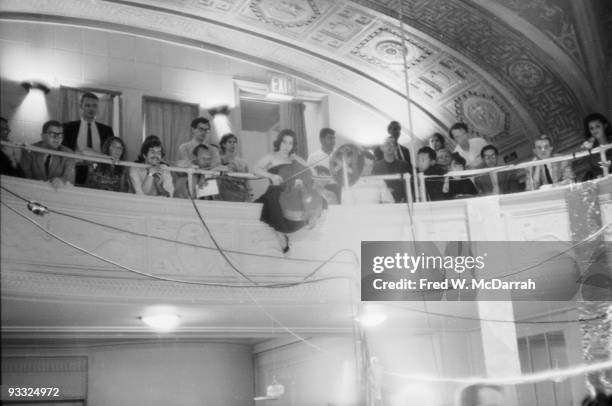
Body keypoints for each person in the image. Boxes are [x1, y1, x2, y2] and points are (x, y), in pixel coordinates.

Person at [253, 129, 325, 253]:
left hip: (294, 192)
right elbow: (256, 169)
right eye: (285, 142)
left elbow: (312, 172)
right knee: (272, 197)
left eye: (290, 143)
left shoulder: (294, 158)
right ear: (279, 142)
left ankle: (309, 216)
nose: (287, 146)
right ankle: (280, 233)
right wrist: (271, 176)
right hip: (278, 189)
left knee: (316, 198)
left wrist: (296, 158)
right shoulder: (271, 156)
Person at [63, 92, 115, 185]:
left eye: (94, 106)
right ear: (81, 106)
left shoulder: (106, 130)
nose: (91, 109)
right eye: (87, 105)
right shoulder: (68, 127)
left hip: (99, 172)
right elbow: (64, 149)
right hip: (74, 169)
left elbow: (110, 152)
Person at [21, 120, 75, 188]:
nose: (57, 138)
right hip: (32, 189)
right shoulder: (30, 150)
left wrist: (62, 180)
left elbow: (70, 178)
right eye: (53, 134)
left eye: (60, 135)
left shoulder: (68, 153)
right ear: (43, 136)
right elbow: (24, 176)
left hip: (56, 192)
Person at [372, 136, 411, 203]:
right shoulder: (376, 166)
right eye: (387, 144)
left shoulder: (404, 165)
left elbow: (409, 186)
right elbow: (373, 186)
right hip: (383, 203)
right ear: (382, 147)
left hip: (401, 202)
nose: (389, 146)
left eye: (392, 144)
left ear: (396, 148)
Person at [307, 128, 340, 203]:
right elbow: (308, 177)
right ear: (321, 140)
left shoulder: (339, 154)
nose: (333, 141)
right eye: (330, 138)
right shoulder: (313, 157)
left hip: (339, 188)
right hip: (322, 191)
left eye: (334, 138)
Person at [218, 133, 251, 202]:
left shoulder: (243, 162)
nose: (232, 144)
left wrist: (249, 195)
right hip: (225, 194)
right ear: (224, 144)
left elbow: (247, 181)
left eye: (234, 142)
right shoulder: (219, 160)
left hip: (241, 194)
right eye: (229, 142)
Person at [581, 113, 612, 180]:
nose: (595, 130)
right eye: (591, 128)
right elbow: (593, 168)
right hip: (599, 180)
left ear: (605, 125)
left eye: (597, 126)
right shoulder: (589, 147)